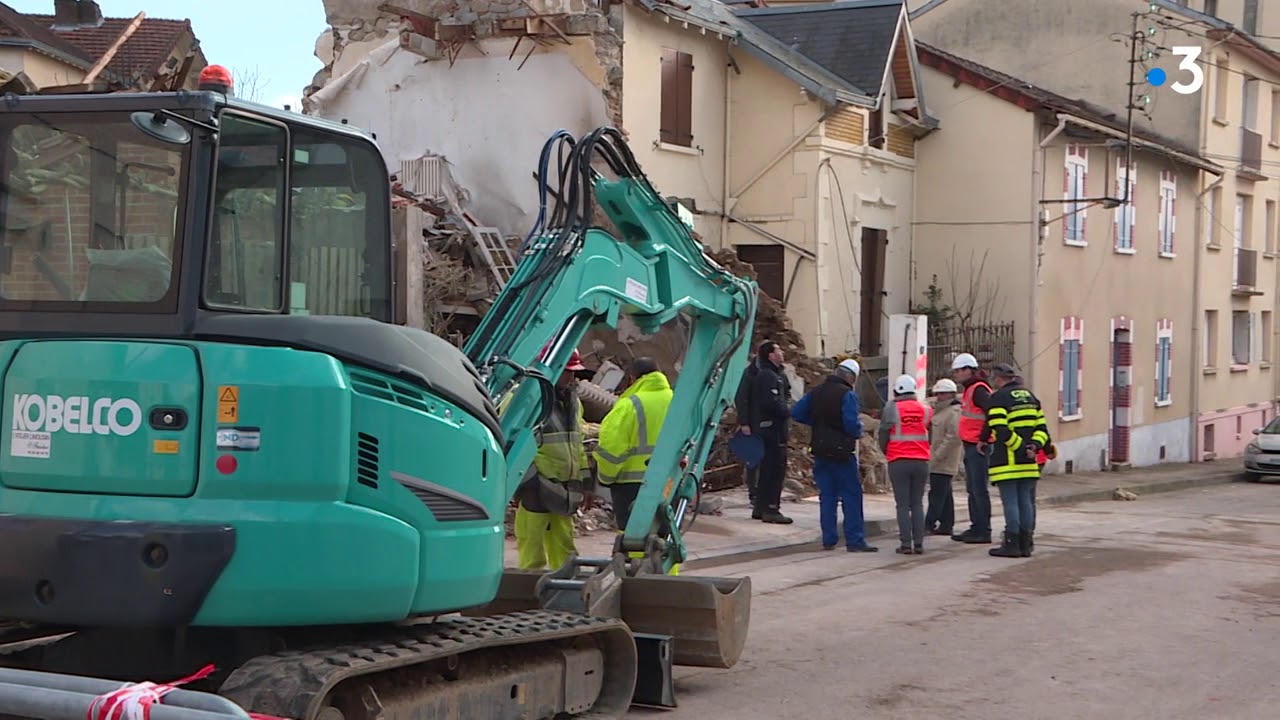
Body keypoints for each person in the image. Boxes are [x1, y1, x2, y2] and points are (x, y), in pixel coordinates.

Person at [594, 356, 679, 574]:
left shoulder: (630, 404)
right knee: (665, 540)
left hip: (630, 487)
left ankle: (637, 588)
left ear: (632, 378)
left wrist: (605, 478)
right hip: (670, 483)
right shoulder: (678, 400)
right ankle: (669, 584)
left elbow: (611, 450)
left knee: (635, 541)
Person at [512, 346, 592, 570]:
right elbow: (510, 443)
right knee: (532, 552)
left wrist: (585, 482)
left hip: (563, 489)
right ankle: (528, 595)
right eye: (568, 371)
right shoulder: (527, 400)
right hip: (536, 487)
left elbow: (577, 444)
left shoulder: (574, 403)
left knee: (565, 550)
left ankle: (564, 591)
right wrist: (527, 482)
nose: (573, 377)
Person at [790, 358, 879, 553]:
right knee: (851, 495)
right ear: (850, 377)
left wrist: (817, 422)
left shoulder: (816, 392)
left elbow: (796, 412)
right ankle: (855, 540)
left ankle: (829, 539)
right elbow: (851, 424)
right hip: (842, 452)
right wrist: (858, 430)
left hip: (820, 450)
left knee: (827, 496)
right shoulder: (847, 395)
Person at [984, 363, 1049, 558]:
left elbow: (1000, 429)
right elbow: (1042, 430)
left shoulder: (998, 398)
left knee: (1011, 502)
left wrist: (1019, 448)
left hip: (1008, 461)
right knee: (1025, 502)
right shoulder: (1031, 397)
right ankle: (1026, 544)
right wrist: (1033, 448)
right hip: (1029, 460)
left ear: (997, 379)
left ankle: (1011, 544)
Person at [880, 374, 932, 555]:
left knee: (902, 505)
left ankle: (905, 544)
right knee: (917, 504)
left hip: (898, 461)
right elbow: (929, 434)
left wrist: (887, 451)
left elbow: (883, 433)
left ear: (896, 391)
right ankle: (919, 544)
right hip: (921, 461)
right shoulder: (925, 409)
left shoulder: (891, 408)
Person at [745, 341, 794, 524]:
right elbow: (771, 403)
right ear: (770, 355)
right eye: (778, 349)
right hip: (773, 430)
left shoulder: (775, 375)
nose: (782, 352)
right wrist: (788, 411)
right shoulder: (768, 376)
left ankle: (760, 507)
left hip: (768, 428)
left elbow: (785, 395)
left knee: (766, 469)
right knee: (774, 469)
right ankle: (771, 508)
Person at [949, 352, 994, 544]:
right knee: (973, 488)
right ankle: (977, 526)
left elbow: (992, 414)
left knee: (978, 489)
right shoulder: (971, 389)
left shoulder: (978, 390)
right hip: (972, 444)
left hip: (979, 446)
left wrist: (983, 439)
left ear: (969, 370)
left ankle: (982, 529)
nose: (956, 374)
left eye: (959, 371)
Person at [926, 378, 962, 536]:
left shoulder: (954, 412)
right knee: (945, 494)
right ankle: (946, 524)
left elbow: (953, 437)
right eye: (937, 393)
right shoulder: (940, 411)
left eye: (942, 394)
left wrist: (938, 455)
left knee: (937, 494)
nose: (938, 397)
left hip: (944, 460)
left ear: (950, 395)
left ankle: (928, 523)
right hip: (937, 457)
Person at [733, 354, 762, 506]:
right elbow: (741, 397)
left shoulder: (777, 373)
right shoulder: (750, 373)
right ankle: (754, 492)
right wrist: (744, 421)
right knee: (753, 459)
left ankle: (761, 492)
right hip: (753, 423)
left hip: (767, 424)